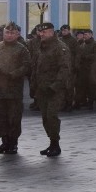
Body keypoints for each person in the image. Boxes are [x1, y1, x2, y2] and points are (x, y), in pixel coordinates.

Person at [0, 22, 31, 154]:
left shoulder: (22, 49)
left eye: (12, 33)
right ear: (3, 33)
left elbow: (27, 66)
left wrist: (13, 74)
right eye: (7, 33)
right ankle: (4, 142)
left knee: (14, 117)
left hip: (13, 90)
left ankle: (13, 143)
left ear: (17, 34)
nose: (9, 35)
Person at [33, 22, 71, 156]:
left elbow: (64, 69)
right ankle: (51, 142)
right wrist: (34, 87)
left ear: (51, 32)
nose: (41, 34)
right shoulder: (42, 47)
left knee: (52, 116)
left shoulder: (60, 47)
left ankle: (56, 144)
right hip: (42, 88)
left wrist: (55, 86)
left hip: (55, 89)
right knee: (45, 118)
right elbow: (37, 68)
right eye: (40, 32)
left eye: (44, 32)